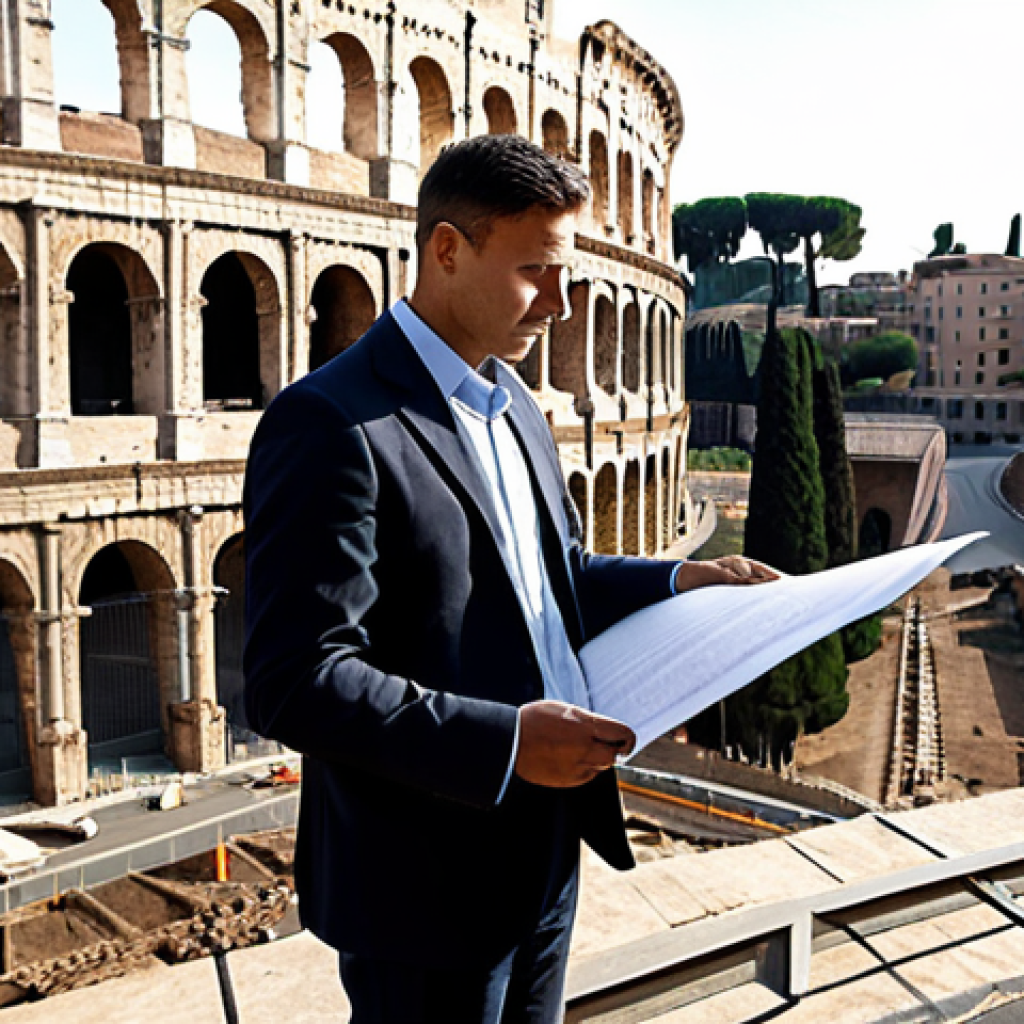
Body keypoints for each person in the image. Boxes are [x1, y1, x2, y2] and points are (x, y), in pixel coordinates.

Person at [242, 134, 776, 1024]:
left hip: (544, 847)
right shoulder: (330, 423)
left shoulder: (512, 403)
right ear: (448, 250)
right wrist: (507, 742)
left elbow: (553, 579)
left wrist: (681, 583)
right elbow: (296, 680)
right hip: (420, 884)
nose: (563, 306)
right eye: (539, 272)